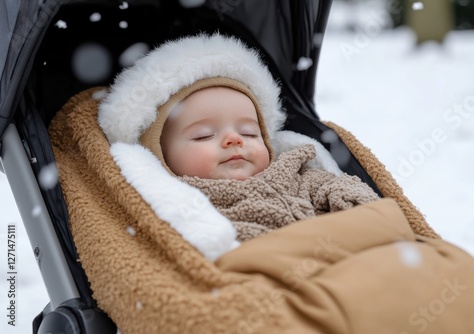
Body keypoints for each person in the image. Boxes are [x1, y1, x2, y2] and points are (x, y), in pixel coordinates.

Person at [98, 33, 380, 242]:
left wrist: (352, 203)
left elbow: (339, 190)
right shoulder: (179, 207)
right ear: (159, 157)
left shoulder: (297, 174)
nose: (235, 139)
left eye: (249, 132)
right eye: (203, 135)